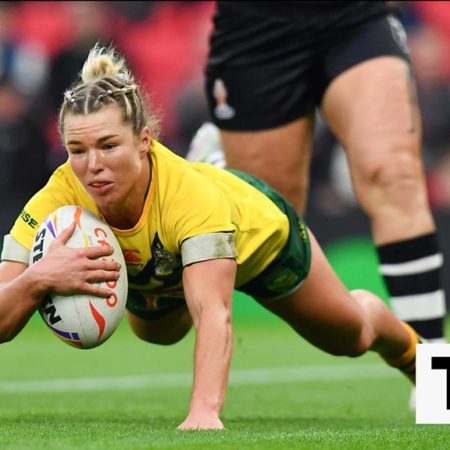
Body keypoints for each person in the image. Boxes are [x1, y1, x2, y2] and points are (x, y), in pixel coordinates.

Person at [0, 44, 422, 430]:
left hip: (261, 237)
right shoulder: (55, 200)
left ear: (145, 141)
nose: (92, 165)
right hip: (168, 264)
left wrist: (204, 413)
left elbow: (214, 313)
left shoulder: (190, 198)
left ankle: (430, 365)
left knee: (352, 337)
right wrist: (37, 280)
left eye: (109, 145)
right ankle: (206, 171)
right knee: (158, 334)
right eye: (78, 150)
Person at [196, 0, 447, 390]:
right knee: (267, 226)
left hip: (355, 16)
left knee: (394, 173)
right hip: (256, 28)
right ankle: (214, 166)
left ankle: (435, 378)